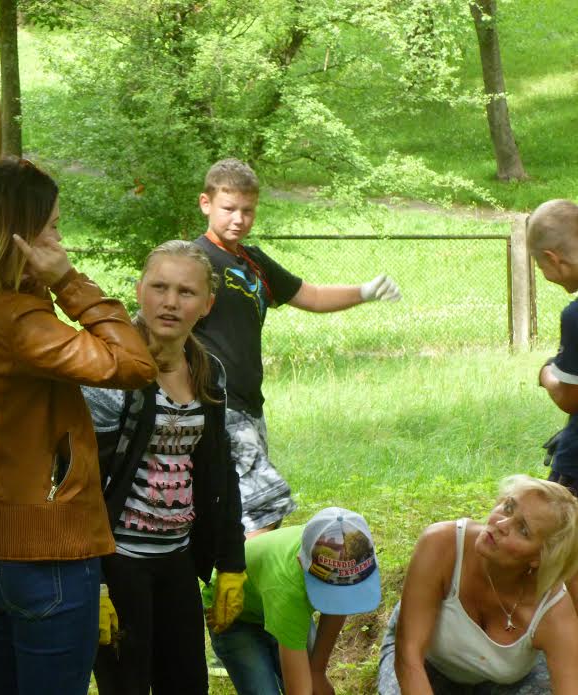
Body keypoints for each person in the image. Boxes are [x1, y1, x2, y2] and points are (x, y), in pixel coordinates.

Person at [0, 157, 158, 695]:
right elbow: (135, 364)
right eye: (52, 228)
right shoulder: (18, 324)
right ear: (16, 238)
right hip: (43, 553)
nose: (59, 242)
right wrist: (67, 281)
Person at [192, 158, 401, 535]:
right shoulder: (194, 260)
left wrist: (365, 291)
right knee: (266, 506)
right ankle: (250, 574)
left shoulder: (253, 261)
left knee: (234, 507)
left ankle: (228, 571)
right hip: (214, 401)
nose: (239, 219)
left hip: (250, 404)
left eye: (247, 210)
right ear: (206, 203)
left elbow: (312, 296)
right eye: (229, 208)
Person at [81, 239, 247, 695]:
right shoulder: (111, 371)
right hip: (119, 563)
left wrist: (231, 562)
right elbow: (81, 482)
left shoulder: (209, 372)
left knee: (188, 685)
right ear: (139, 291)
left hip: (178, 559)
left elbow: (221, 471)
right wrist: (93, 581)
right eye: (159, 287)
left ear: (207, 305)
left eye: (186, 292)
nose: (170, 302)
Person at [378, 475, 578, 694]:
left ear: (539, 557)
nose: (501, 524)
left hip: (501, 681)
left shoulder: (553, 612)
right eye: (508, 507)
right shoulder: (441, 544)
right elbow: (409, 656)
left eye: (523, 530)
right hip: (427, 663)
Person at [204, 506, 381, 695]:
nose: (339, 597)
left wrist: (317, 672)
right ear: (301, 563)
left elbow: (339, 605)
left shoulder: (339, 547)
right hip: (233, 614)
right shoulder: (288, 589)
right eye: (330, 589)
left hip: (272, 600)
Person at [529, 198, 578, 615]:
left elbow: (570, 395)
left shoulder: (576, 314)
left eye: (540, 267)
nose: (545, 276)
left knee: (561, 555)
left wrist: (545, 372)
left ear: (553, 258)